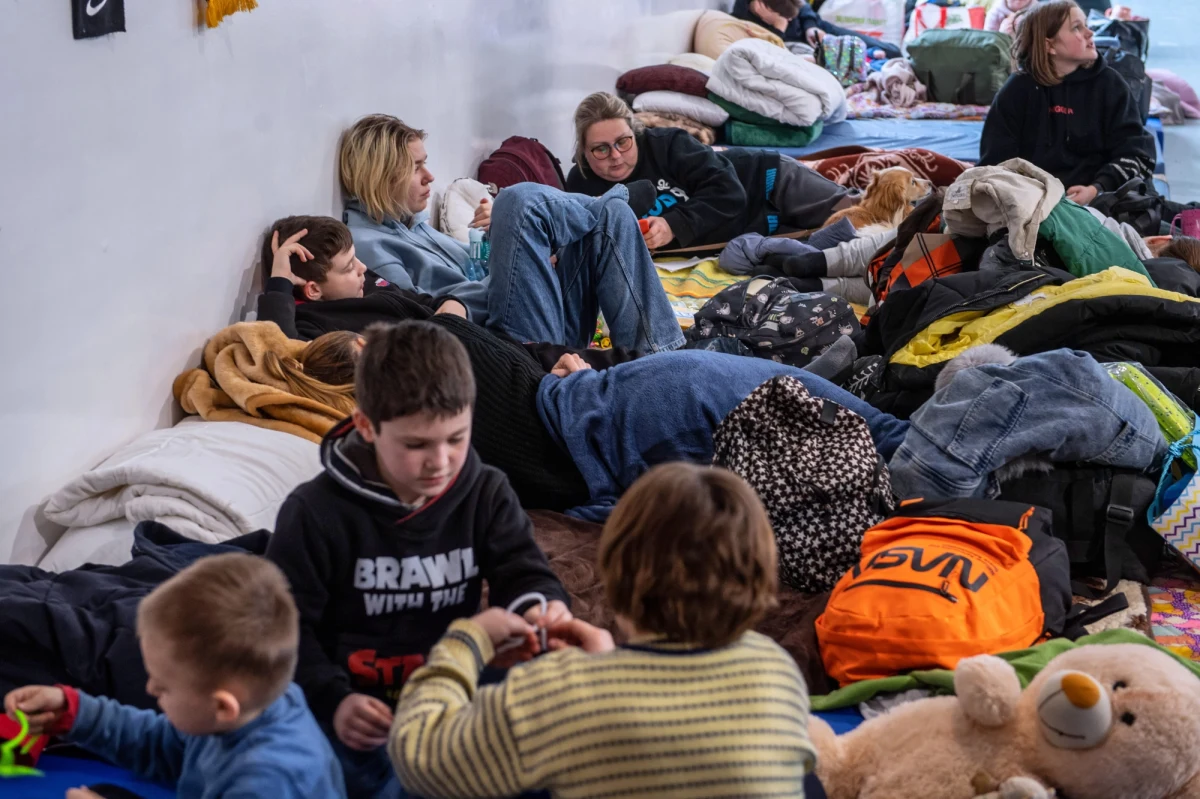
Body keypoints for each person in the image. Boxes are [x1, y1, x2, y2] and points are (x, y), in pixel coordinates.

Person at [265, 321, 570, 799]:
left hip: (455, 685)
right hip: (353, 706)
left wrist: (540, 609)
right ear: (366, 425)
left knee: (552, 747)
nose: (441, 462)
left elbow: (524, 572)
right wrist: (334, 700)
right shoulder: (314, 512)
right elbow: (285, 632)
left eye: (456, 437)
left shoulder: (485, 490)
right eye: (416, 445)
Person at [389, 462, 820, 799]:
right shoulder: (776, 672)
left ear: (616, 569)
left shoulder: (562, 693)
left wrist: (466, 641)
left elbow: (418, 756)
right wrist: (607, 664)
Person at [3, 554, 345, 799]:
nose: (150, 687)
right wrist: (75, 712)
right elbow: (163, 745)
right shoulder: (251, 709)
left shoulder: (268, 780)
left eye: (163, 686)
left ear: (222, 706)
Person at [339, 114, 683, 353]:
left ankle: (660, 357)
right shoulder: (367, 247)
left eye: (425, 163)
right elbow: (428, 318)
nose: (430, 176)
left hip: (535, 320)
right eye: (415, 167)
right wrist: (514, 257)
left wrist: (509, 248)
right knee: (516, 202)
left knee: (610, 219)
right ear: (379, 175)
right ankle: (609, 196)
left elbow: (477, 273)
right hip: (501, 344)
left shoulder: (417, 226)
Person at [565, 92, 854, 250]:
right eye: (601, 149)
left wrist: (672, 226)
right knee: (840, 246)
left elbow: (729, 192)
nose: (615, 156)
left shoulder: (668, 144)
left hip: (770, 183)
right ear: (584, 153)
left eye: (623, 142)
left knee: (863, 218)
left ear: (634, 132)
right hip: (760, 232)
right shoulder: (582, 185)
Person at [979, 0, 1155, 207]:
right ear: (1049, 45)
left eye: (1086, 25)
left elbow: (1135, 152)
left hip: (1100, 203)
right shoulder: (1018, 89)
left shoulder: (1110, 84)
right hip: (1030, 206)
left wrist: (1096, 189)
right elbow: (996, 161)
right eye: (1076, 28)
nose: (1090, 33)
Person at [732, 0, 901, 60]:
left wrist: (810, 26)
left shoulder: (790, 9)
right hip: (800, 48)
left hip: (816, 30)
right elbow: (768, 52)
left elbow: (803, 7)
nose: (790, 20)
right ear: (767, 12)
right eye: (787, 19)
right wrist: (779, 29)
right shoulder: (743, 18)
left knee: (892, 51)